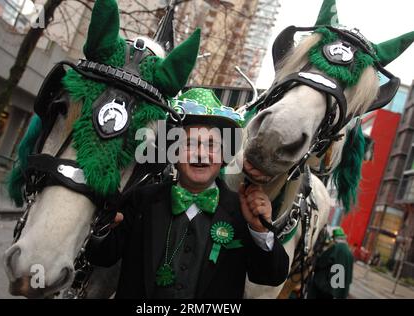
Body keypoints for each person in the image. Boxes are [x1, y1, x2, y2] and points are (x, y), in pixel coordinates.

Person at [87, 88, 289, 298]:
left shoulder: (243, 211)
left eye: (211, 145)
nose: (200, 154)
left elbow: (271, 276)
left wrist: (260, 230)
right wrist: (103, 225)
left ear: (223, 156)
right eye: (189, 144)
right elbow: (102, 256)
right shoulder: (141, 200)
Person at [307, 227, 354, 299]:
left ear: (335, 238)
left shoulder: (335, 248)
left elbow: (321, 262)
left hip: (326, 288)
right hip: (338, 291)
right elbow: (349, 276)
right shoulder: (349, 253)